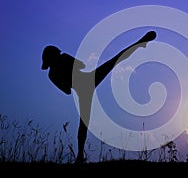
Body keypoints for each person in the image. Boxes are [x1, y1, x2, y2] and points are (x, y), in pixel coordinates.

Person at [41, 31, 156, 163]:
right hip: (88, 81)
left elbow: (67, 91)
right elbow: (81, 66)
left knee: (83, 124)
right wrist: (67, 62)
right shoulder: (61, 62)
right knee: (116, 59)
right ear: (54, 55)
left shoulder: (52, 75)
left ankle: (79, 155)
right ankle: (139, 43)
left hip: (84, 88)